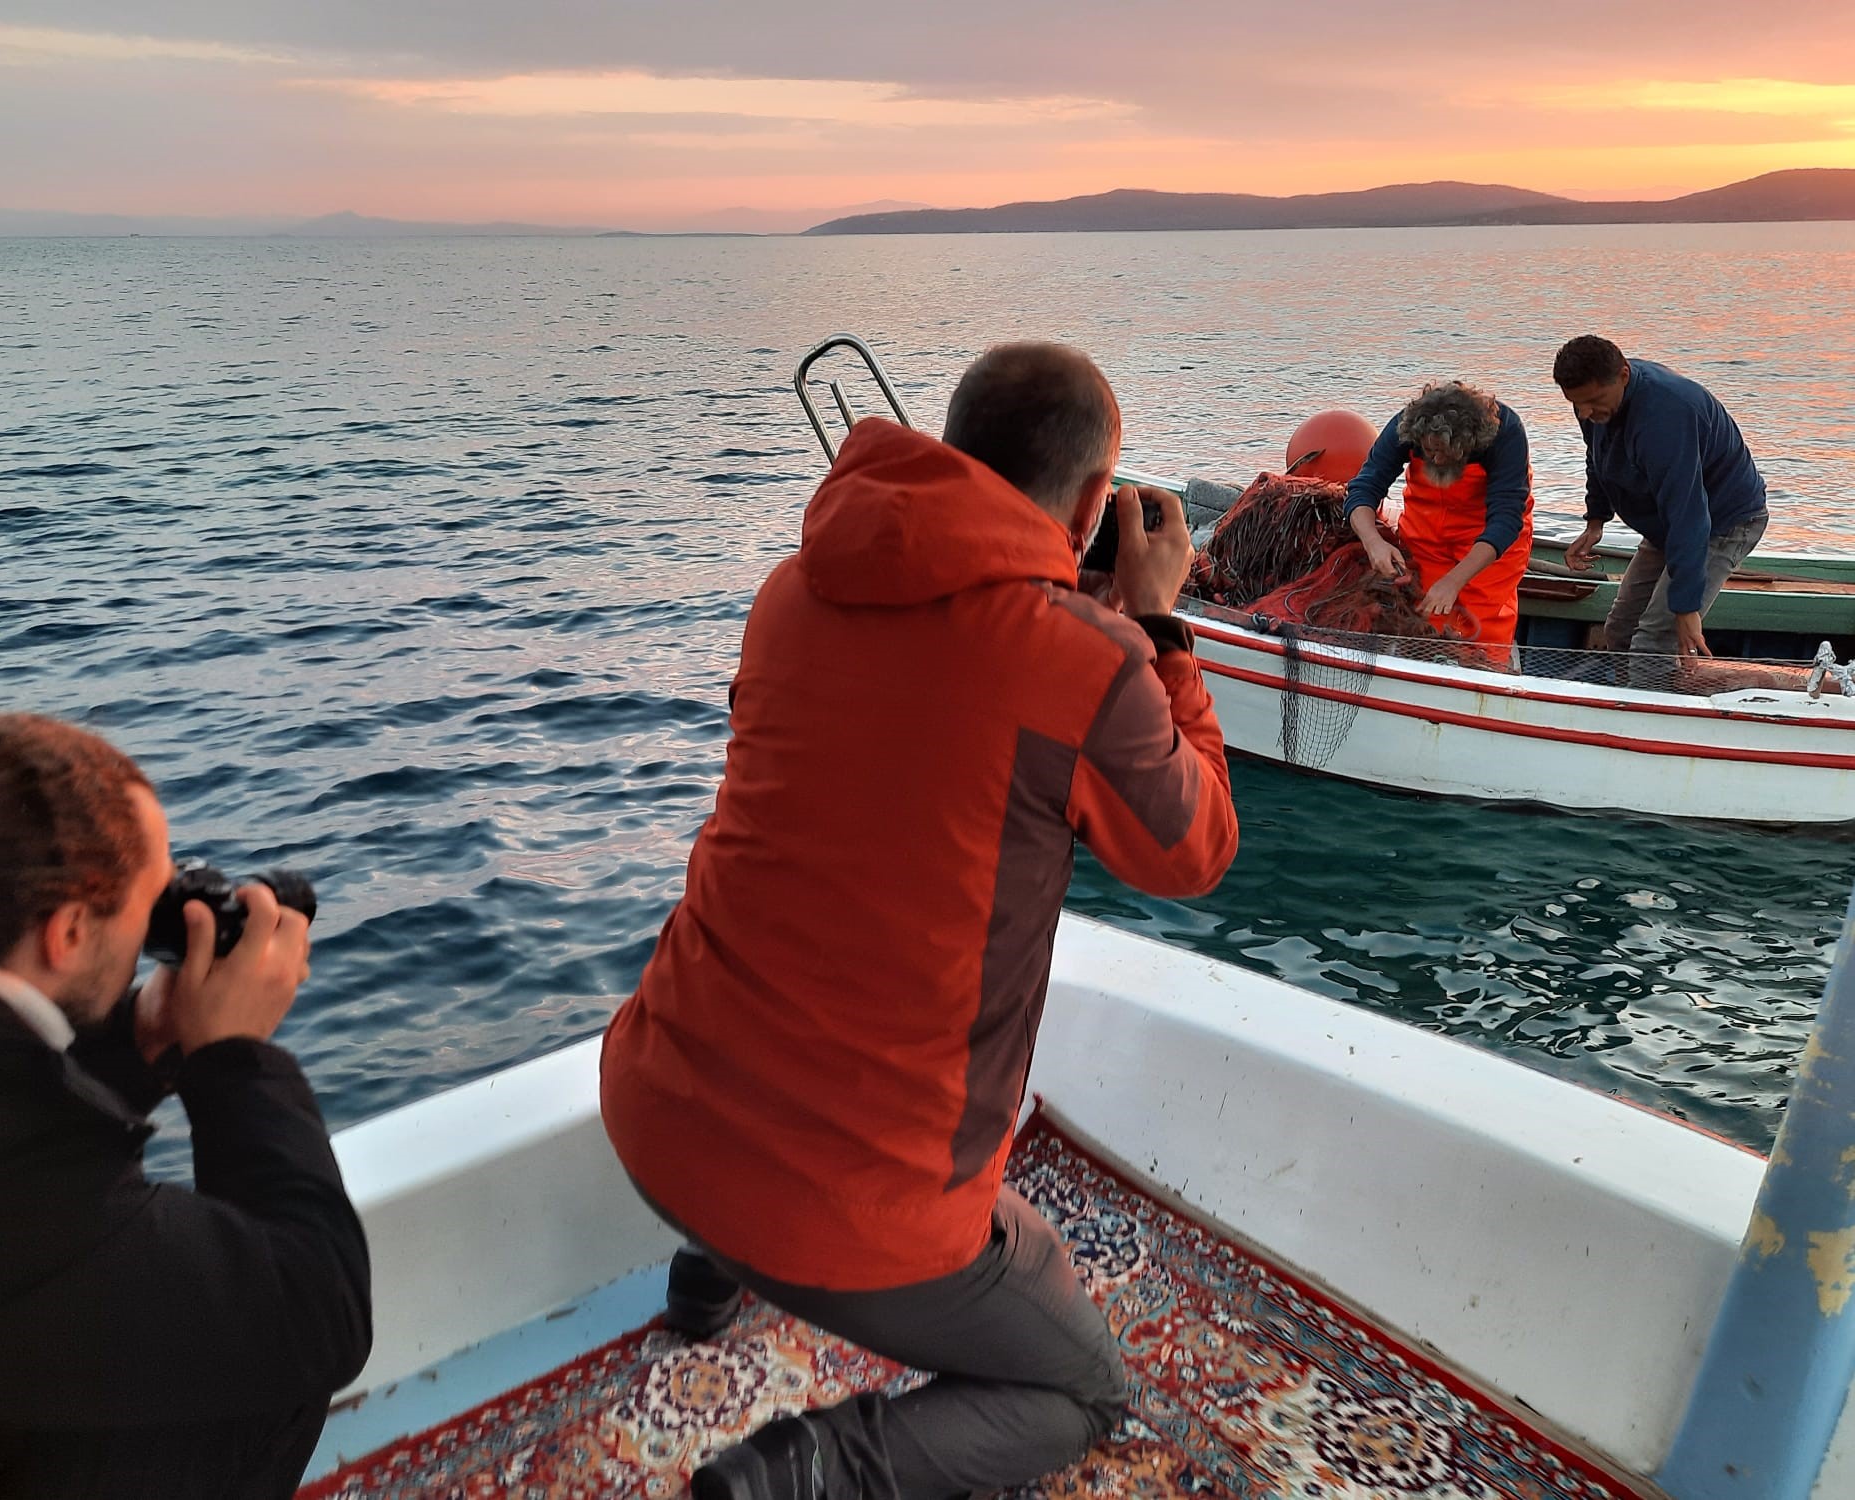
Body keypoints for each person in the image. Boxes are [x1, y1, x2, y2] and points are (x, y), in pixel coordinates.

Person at [600, 344, 1239, 1500]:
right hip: (853, 1220)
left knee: (789, 947)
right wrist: (1158, 632)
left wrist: (1072, 625)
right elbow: (1190, 854)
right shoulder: (1086, 662)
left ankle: (702, 1288)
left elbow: (910, 748)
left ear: (952, 449)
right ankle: (799, 1474)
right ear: (1095, 502)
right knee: (1081, 1392)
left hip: (653, 1114)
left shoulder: (789, 594)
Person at [0, 713, 371, 1500]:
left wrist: (139, 1038)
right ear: (66, 932)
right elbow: (314, 1304)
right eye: (148, 903)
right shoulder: (0, 1197)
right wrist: (234, 1058)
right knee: (265, 1373)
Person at [1553, 335, 1768, 664]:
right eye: (1576, 403)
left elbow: (1689, 515)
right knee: (1620, 630)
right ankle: (1627, 703)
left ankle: (1653, 708)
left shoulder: (1666, 416)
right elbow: (1597, 457)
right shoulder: (1592, 403)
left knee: (1654, 643)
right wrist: (1596, 521)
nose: (1584, 412)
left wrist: (1685, 607)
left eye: (1593, 401)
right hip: (1666, 524)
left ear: (1623, 376)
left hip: (1723, 521)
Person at [1342, 381, 1534, 654]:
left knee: (1483, 627)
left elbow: (1505, 519)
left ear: (1468, 443)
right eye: (1427, 451)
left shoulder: (1505, 433)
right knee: (1422, 621)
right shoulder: (1406, 425)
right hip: (1425, 536)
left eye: (1443, 453)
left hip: (1488, 544)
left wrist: (1454, 581)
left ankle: (1483, 681)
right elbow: (1363, 489)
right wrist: (1374, 542)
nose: (1434, 459)